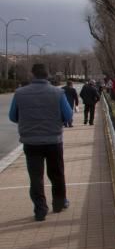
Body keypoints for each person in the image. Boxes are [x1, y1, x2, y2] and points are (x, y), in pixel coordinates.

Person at [8, 63, 73, 221]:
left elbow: (12, 116)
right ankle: (58, 203)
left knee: (36, 177)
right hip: (53, 140)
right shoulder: (58, 93)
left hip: (31, 142)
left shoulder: (20, 93)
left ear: (32, 75)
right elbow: (68, 115)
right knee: (56, 173)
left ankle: (40, 209)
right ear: (47, 75)